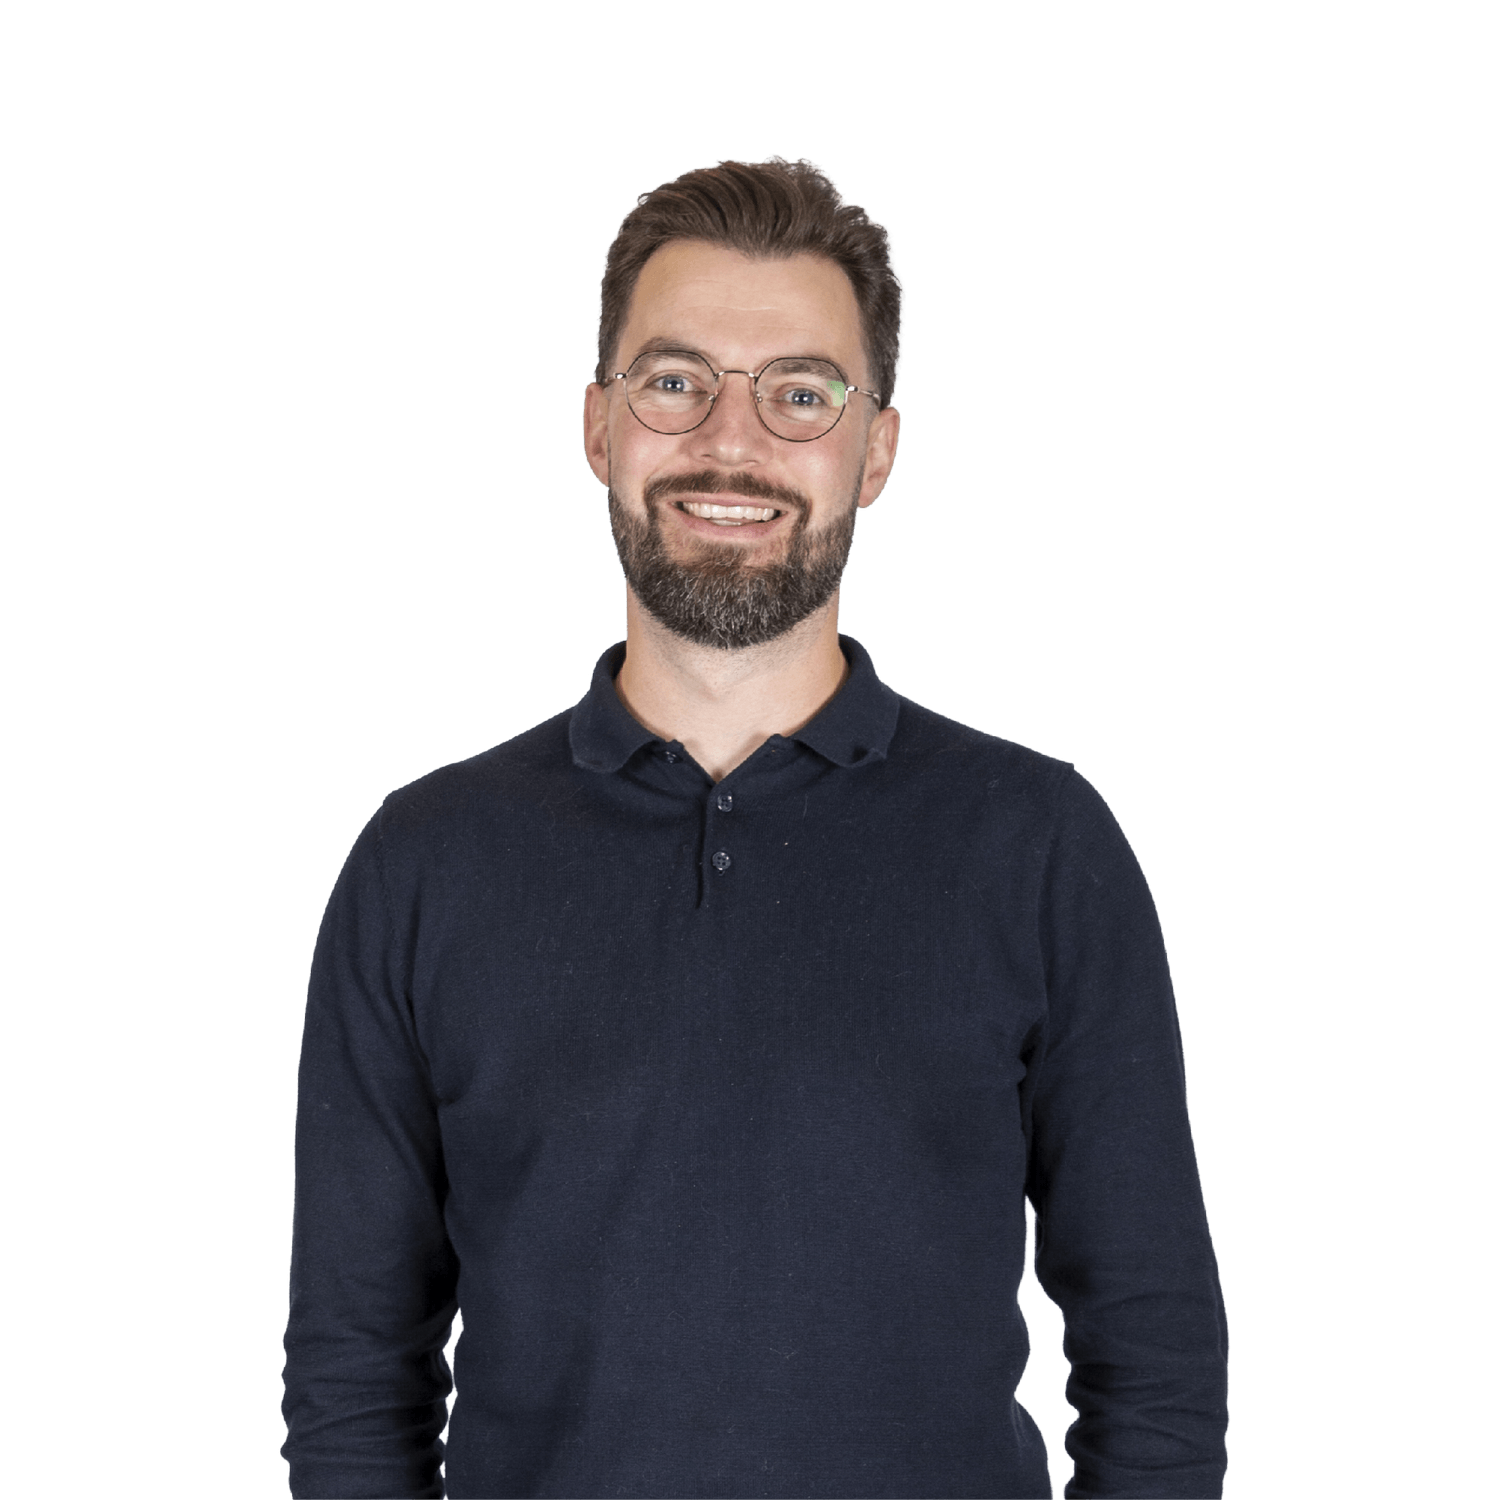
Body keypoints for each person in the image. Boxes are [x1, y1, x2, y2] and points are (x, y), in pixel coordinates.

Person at [280, 155, 1229, 1499]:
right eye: (676, 382)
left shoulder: (1040, 847)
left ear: (876, 449)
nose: (732, 443)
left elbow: (1155, 1360)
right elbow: (352, 1384)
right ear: (598, 425)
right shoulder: (422, 864)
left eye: (801, 392)